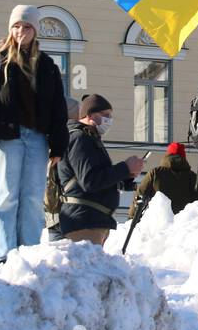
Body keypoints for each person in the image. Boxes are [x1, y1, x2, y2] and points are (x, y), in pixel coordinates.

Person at [0, 5, 70, 259]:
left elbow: (58, 107)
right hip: (7, 137)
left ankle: (28, 251)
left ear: (35, 30)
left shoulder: (47, 65)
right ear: (10, 28)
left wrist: (58, 144)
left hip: (37, 137)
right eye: (16, 26)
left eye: (26, 26)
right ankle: (5, 252)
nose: (21, 31)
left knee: (32, 197)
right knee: (7, 197)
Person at [57, 95, 144, 245]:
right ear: (90, 115)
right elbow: (90, 181)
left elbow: (99, 178)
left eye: (110, 116)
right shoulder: (80, 138)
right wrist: (125, 167)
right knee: (86, 268)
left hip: (93, 219)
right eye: (105, 115)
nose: (109, 120)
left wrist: (126, 176)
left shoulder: (89, 138)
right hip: (84, 220)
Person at [131, 142, 198, 219]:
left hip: (159, 224)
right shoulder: (194, 178)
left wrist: (133, 217)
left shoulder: (155, 174)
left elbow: (140, 195)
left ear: (167, 155)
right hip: (186, 225)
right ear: (184, 158)